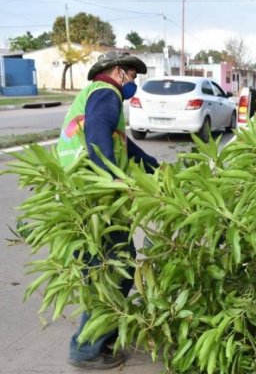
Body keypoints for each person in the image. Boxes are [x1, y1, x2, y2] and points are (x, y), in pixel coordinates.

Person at [57, 51, 159, 369]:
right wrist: (115, 181)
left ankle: (99, 338)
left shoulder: (98, 96)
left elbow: (122, 145)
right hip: (96, 196)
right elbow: (98, 140)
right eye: (132, 75)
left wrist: (157, 168)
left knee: (105, 268)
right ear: (117, 72)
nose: (134, 83)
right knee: (116, 267)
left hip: (85, 193)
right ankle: (88, 347)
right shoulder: (106, 92)